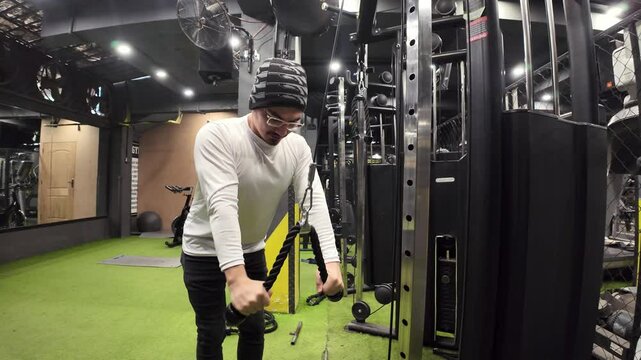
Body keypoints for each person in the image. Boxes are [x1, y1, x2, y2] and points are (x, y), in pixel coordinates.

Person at [181, 57, 344, 360]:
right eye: (274, 118)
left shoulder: (296, 147)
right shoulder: (218, 136)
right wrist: (236, 279)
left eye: (292, 121)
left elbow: (315, 204)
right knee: (211, 331)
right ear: (255, 104)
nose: (282, 130)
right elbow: (222, 206)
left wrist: (330, 264)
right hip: (202, 251)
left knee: (254, 330)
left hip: (253, 250)